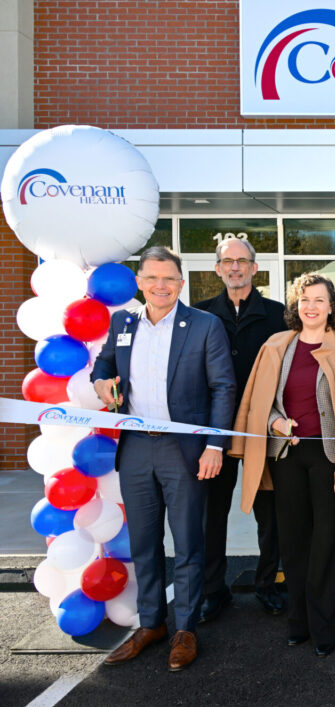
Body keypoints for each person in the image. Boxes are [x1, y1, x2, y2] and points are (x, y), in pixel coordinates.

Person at [93, 246, 236, 671]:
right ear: (139, 282)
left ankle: (185, 628)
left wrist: (214, 446)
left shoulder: (205, 326)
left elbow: (223, 388)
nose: (160, 286)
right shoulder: (122, 323)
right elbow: (101, 367)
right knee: (143, 542)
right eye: (152, 278)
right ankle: (151, 622)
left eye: (169, 278)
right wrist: (101, 383)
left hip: (186, 450)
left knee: (189, 542)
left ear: (181, 282)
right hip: (136, 447)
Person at [229, 273, 335, 657]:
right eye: (304, 300)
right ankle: (299, 621)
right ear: (295, 306)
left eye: (319, 299)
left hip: (332, 458)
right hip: (287, 457)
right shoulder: (275, 345)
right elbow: (255, 405)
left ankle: (327, 626)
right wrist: (274, 423)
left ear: (333, 306)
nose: (311, 306)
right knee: (294, 544)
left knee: (328, 544)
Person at [193, 237, 287, 623]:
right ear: (217, 269)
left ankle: (267, 584)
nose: (235, 267)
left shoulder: (278, 315)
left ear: (254, 267)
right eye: (227, 261)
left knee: (271, 514)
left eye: (242, 261)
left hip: (262, 431)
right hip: (213, 433)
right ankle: (214, 591)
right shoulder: (198, 316)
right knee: (211, 516)